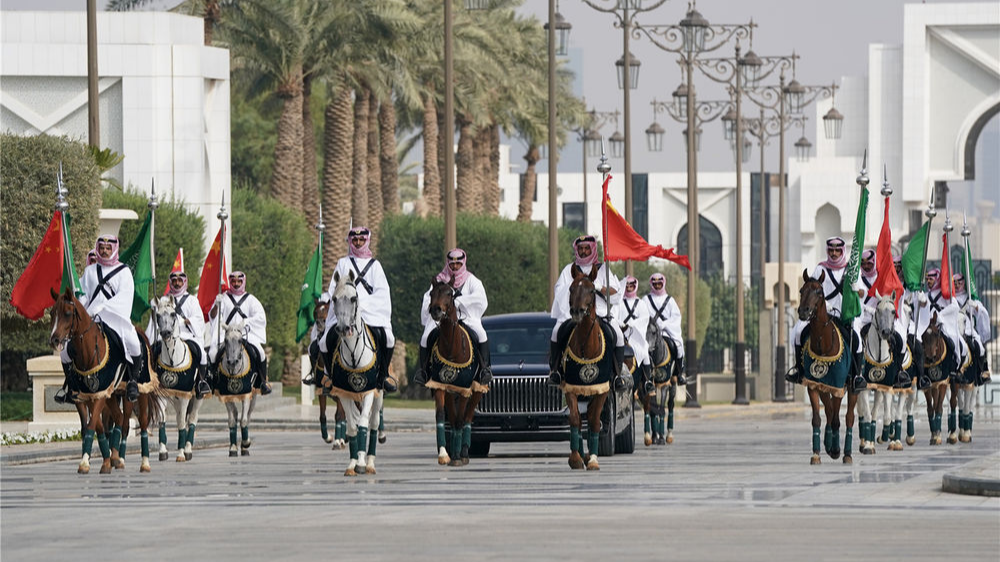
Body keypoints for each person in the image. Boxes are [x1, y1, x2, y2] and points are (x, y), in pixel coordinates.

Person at [60, 234, 142, 402]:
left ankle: (133, 382)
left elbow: (125, 297)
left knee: (134, 343)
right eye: (102, 248)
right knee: (65, 352)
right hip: (91, 318)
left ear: (114, 249)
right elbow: (84, 295)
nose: (104, 251)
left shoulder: (124, 271)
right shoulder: (90, 271)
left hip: (115, 319)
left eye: (108, 248)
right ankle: (71, 385)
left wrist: (103, 307)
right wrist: (83, 307)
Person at [319, 226, 396, 392]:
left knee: (388, 338)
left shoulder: (375, 266)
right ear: (350, 241)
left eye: (361, 240)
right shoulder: (342, 263)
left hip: (370, 311)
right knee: (324, 341)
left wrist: (363, 304)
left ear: (367, 241)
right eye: (355, 240)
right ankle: (330, 377)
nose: (358, 243)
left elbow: (382, 292)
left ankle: (383, 376)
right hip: (345, 310)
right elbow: (334, 287)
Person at [787, 236, 865, 390]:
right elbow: (811, 289)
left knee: (857, 338)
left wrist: (856, 288)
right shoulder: (820, 268)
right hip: (822, 313)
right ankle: (799, 369)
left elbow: (862, 293)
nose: (834, 253)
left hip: (843, 314)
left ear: (842, 251)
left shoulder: (851, 269)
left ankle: (856, 376)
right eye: (831, 250)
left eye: (837, 250)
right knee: (797, 332)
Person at [548, 235, 624, 387]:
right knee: (556, 331)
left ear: (593, 249)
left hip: (600, 313)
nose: (583, 251)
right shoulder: (569, 270)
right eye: (580, 248)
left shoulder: (603, 269)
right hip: (574, 313)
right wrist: (577, 291)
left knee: (619, 335)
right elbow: (559, 291)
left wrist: (596, 288)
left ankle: (617, 375)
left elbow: (616, 293)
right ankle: (555, 371)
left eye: (586, 248)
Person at [413, 248, 492, 386]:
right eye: (452, 264)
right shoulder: (439, 280)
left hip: (466, 317)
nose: (455, 267)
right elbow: (428, 297)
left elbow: (480, 298)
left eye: (458, 264)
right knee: (426, 337)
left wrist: (459, 302)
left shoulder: (472, 281)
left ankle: (484, 370)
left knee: (481, 334)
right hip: (442, 318)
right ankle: (423, 371)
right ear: (448, 264)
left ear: (463, 263)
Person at [146, 270, 211, 398]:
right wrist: (154, 307)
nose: (177, 283)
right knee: (152, 352)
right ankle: (150, 380)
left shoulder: (192, 300)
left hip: (186, 334)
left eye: (180, 281)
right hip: (166, 334)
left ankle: (201, 382)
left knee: (202, 354)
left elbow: (198, 319)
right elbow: (156, 318)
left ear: (184, 282)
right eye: (174, 281)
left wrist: (188, 321)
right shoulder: (163, 299)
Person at [208, 271, 271, 395]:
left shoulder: (251, 300)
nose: (236, 284)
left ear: (243, 282)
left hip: (245, 333)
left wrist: (246, 321)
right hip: (227, 333)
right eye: (233, 281)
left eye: (239, 281)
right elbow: (213, 316)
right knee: (212, 352)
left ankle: (263, 382)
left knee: (261, 352)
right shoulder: (223, 298)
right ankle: (211, 382)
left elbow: (260, 317)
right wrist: (216, 304)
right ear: (230, 282)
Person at [910, 268, 965, 388]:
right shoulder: (924, 294)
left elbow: (954, 307)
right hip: (926, 326)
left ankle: (954, 370)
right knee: (915, 345)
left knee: (955, 345)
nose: (928, 281)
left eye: (931, 279)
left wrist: (941, 315)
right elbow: (918, 308)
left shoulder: (946, 294)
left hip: (942, 326)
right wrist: (921, 301)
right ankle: (917, 373)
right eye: (927, 279)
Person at [644, 272, 687, 386]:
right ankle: (642, 377)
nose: (657, 286)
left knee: (678, 346)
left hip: (667, 332)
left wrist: (665, 324)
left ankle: (679, 373)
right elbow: (643, 315)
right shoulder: (646, 299)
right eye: (655, 283)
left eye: (659, 283)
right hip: (651, 333)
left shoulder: (670, 300)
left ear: (663, 284)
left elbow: (676, 317)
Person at [617, 276, 654, 394]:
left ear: (635, 286)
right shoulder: (618, 303)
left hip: (636, 335)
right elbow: (614, 316)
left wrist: (632, 324)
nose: (629, 288)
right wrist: (620, 324)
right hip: (621, 334)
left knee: (645, 352)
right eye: (626, 286)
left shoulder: (641, 304)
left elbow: (644, 319)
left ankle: (647, 381)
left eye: (631, 286)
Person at [953, 273, 991, 380]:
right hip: (953, 328)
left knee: (979, 346)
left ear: (964, 283)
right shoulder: (950, 298)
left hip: (968, 329)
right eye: (954, 283)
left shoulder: (969, 297)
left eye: (959, 282)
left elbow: (983, 312)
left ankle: (983, 371)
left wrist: (976, 306)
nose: (956, 285)